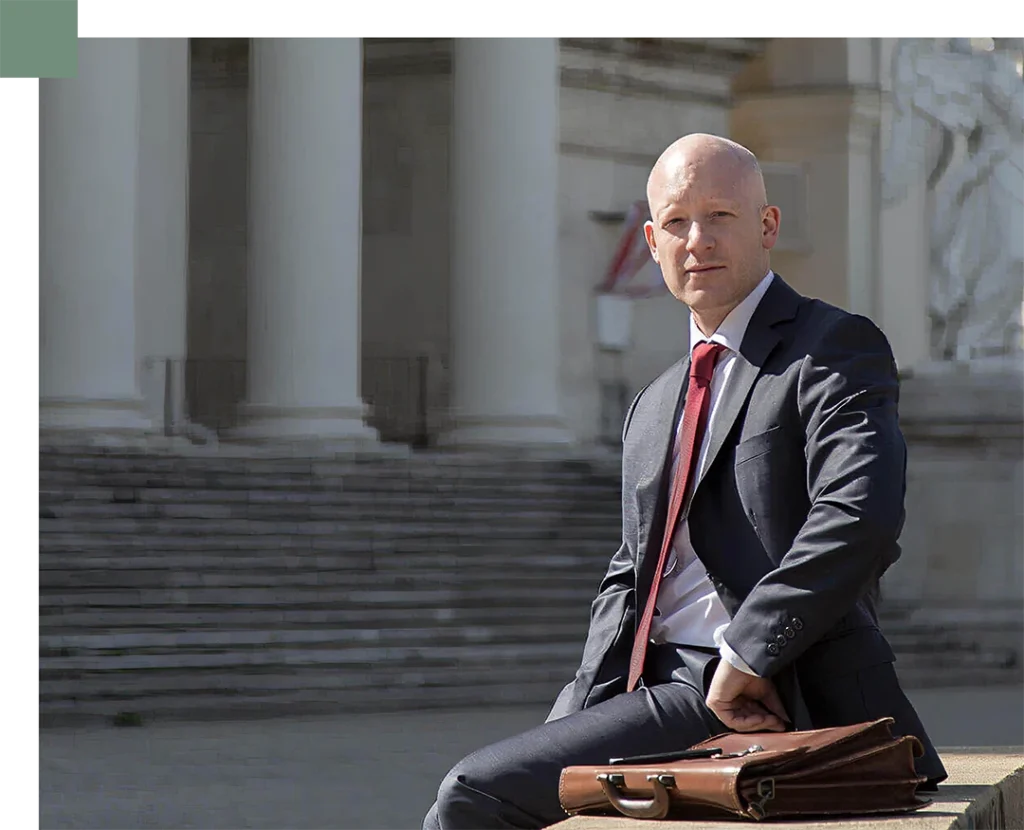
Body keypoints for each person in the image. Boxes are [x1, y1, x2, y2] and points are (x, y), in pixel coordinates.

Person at [421, 133, 947, 830]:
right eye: (675, 221)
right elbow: (630, 574)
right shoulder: (654, 402)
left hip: (756, 687)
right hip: (647, 693)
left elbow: (860, 514)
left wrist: (747, 651)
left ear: (767, 226)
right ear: (651, 240)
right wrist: (572, 719)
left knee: (469, 795)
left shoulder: (832, 349)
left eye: (720, 216)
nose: (696, 239)